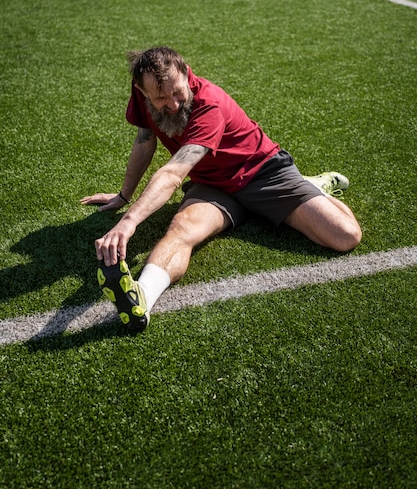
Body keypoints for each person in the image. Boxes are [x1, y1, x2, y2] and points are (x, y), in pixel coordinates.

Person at [81, 46, 361, 333]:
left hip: (262, 173)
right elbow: (144, 139)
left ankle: (309, 185)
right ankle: (142, 297)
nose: (174, 104)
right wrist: (124, 195)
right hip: (212, 184)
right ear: (143, 92)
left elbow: (174, 173)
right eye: (161, 98)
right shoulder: (145, 90)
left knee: (345, 236)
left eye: (178, 92)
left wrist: (128, 222)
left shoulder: (209, 105)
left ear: (186, 73)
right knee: (182, 229)